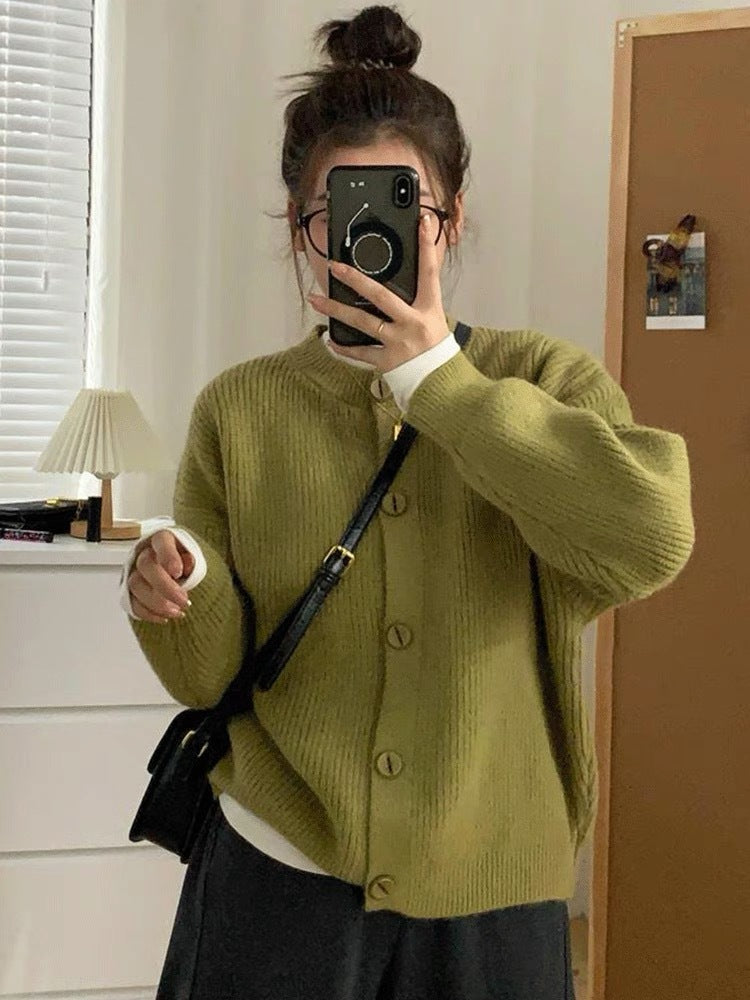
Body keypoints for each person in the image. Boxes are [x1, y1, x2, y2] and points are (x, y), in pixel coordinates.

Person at [120, 6, 695, 998]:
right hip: (276, 872)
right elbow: (206, 674)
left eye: (402, 209)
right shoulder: (241, 408)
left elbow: (650, 540)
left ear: (451, 219)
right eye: (334, 214)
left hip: (492, 887)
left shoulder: (540, 377)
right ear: (301, 228)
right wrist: (174, 589)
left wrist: (438, 381)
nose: (364, 240)